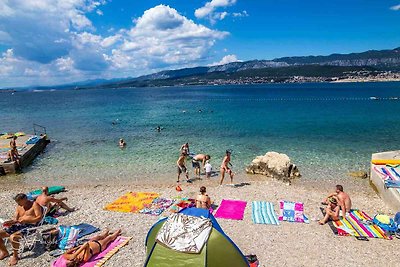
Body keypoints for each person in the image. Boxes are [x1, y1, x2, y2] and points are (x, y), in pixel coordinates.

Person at [0, 193, 43, 265]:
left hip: (30, 227)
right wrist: (10, 222)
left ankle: (15, 256)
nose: (18, 204)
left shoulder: (34, 205)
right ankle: (4, 252)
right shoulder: (19, 206)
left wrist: (27, 220)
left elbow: (39, 218)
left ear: (25, 199)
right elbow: (15, 219)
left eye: (19, 202)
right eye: (17, 202)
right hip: (19, 225)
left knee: (13, 237)